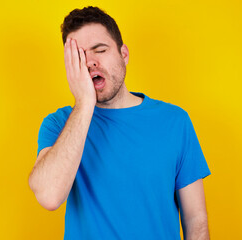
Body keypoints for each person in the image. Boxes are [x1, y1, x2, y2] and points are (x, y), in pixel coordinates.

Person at [28, 6, 211, 240]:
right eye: (80, 56)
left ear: (123, 54)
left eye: (99, 50)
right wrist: (85, 103)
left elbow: (196, 219)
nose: (90, 62)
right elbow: (49, 196)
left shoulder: (175, 121)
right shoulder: (59, 124)